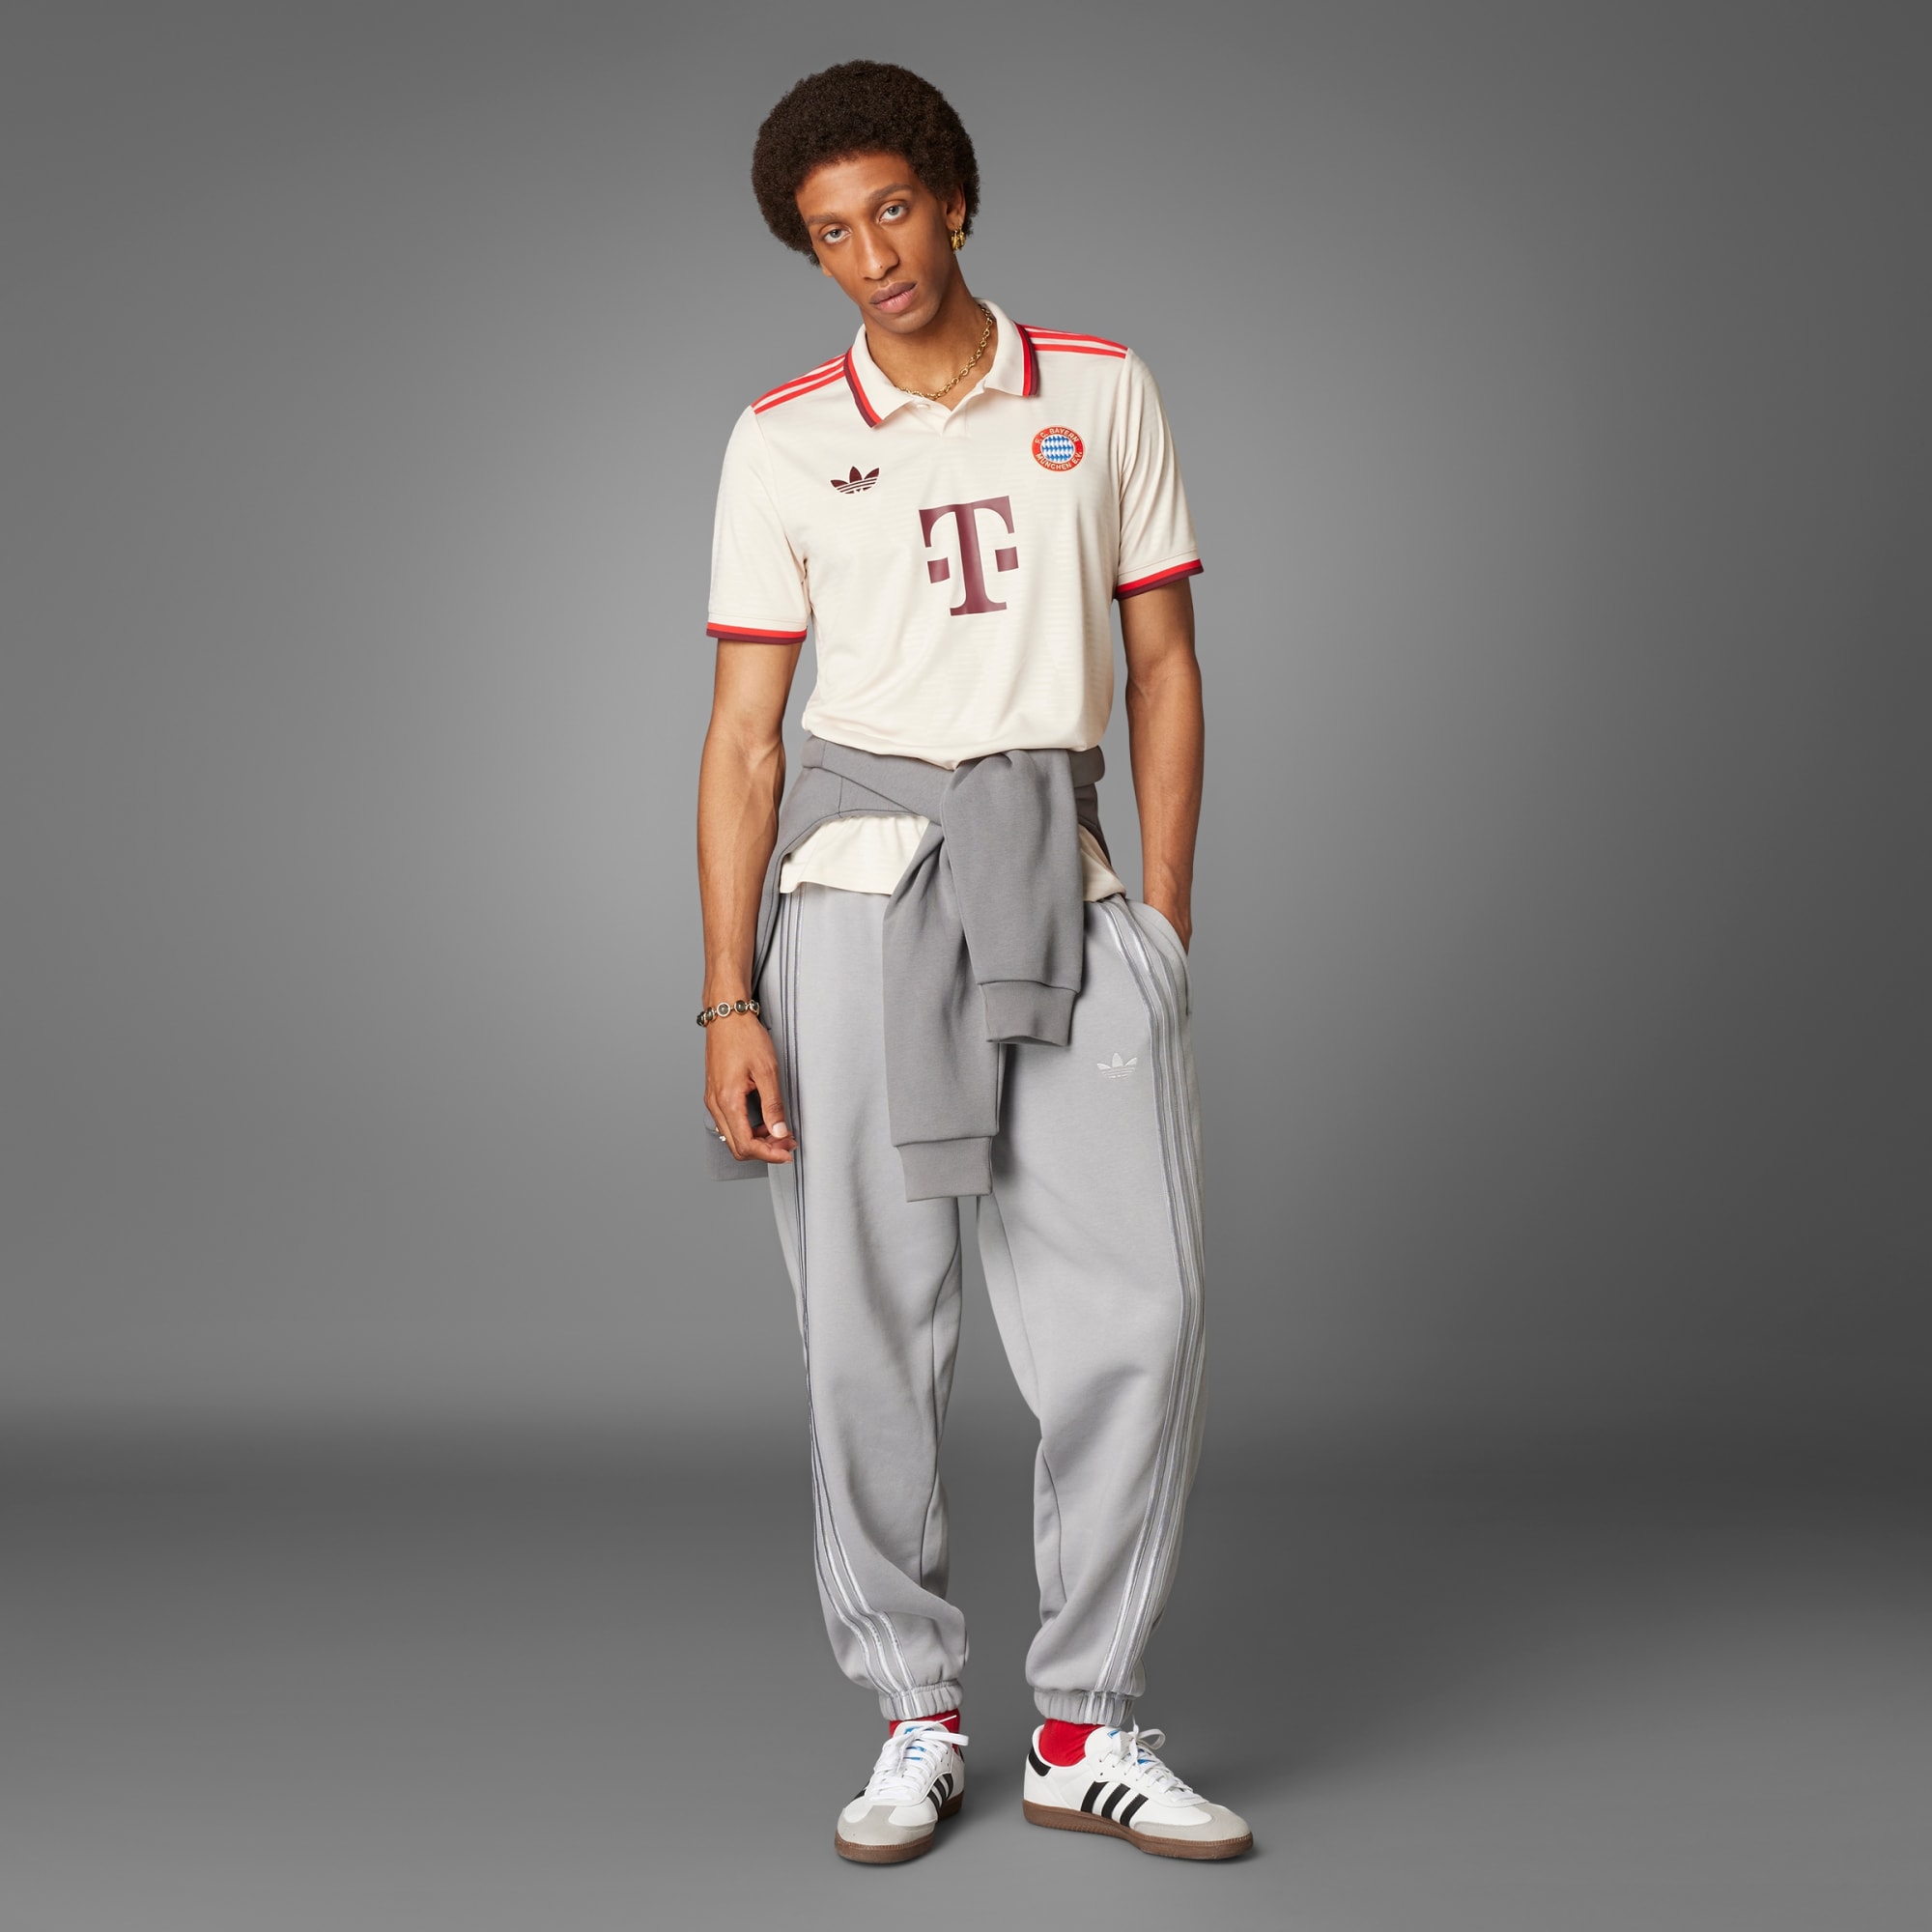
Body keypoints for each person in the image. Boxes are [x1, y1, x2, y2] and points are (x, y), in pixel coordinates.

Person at [694, 59, 1249, 1865]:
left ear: (952, 196)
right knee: (866, 1327)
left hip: (1060, 896)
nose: (873, 256)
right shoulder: (784, 437)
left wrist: (1161, 920)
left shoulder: (1099, 389)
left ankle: (1087, 1724)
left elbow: (1162, 668)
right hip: (853, 905)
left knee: (1138, 1316)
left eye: (892, 210)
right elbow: (746, 739)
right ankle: (914, 1712)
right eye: (830, 234)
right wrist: (727, 996)